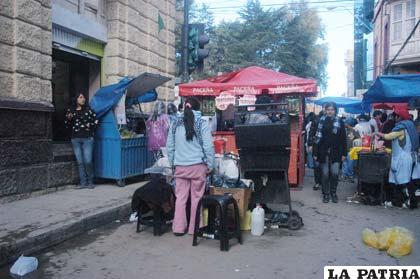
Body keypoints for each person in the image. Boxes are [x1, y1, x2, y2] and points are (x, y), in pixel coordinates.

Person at [167, 97, 215, 236]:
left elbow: (170, 147)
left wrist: (172, 164)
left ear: (184, 107)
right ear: (197, 109)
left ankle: (178, 228)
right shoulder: (202, 123)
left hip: (180, 167)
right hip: (197, 167)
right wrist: (210, 165)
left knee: (180, 198)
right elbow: (208, 147)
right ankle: (194, 229)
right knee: (196, 198)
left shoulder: (175, 124)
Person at [374, 108, 419, 208]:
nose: (395, 118)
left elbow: (388, 136)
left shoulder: (401, 128)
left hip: (401, 158)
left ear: (399, 117)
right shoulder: (410, 126)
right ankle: (403, 202)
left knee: (401, 181)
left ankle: (405, 202)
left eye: (396, 116)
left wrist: (376, 133)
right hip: (408, 156)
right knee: (404, 180)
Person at [313, 102, 347, 203]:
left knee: (335, 173)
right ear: (325, 110)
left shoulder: (340, 121)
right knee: (325, 174)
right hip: (323, 151)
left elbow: (343, 139)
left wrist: (344, 153)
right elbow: (317, 138)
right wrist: (315, 153)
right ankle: (326, 194)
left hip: (336, 151)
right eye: (328, 109)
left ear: (335, 111)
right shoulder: (320, 121)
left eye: (332, 110)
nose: (330, 111)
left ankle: (333, 193)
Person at [65, 93, 98, 189]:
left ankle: (90, 181)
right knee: (80, 162)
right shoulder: (71, 110)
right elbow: (67, 125)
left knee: (88, 161)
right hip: (75, 139)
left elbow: (96, 121)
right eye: (80, 97)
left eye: (84, 97)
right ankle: (83, 183)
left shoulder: (89, 110)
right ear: (76, 99)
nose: (83, 99)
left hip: (87, 138)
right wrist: (69, 119)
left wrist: (91, 128)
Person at [307, 111, 324, 191]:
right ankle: (317, 182)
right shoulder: (316, 120)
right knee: (317, 165)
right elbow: (311, 132)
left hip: (327, 147)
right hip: (317, 146)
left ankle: (323, 183)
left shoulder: (332, 120)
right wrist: (310, 144)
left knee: (324, 166)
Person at [341, 117, 360, 181]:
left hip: (351, 151)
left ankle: (350, 175)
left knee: (350, 164)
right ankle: (344, 175)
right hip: (344, 150)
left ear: (349, 124)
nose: (344, 124)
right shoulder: (344, 130)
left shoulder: (355, 131)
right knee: (344, 163)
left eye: (345, 123)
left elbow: (359, 139)